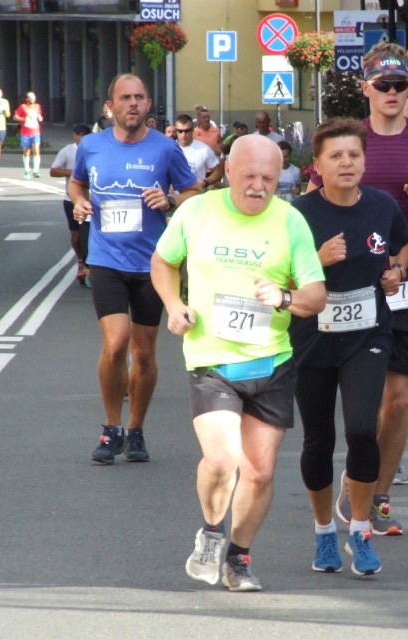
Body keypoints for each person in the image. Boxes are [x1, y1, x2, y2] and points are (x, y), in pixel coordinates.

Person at [150, 134, 326, 592]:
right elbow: (163, 262)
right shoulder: (196, 212)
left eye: (269, 178)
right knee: (223, 460)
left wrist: (285, 296)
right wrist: (173, 305)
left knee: (261, 471)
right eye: (249, 176)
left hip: (271, 362)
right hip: (211, 358)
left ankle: (239, 556)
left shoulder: (291, 222)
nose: (258, 186)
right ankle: (211, 530)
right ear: (228, 170)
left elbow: (316, 295)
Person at [311, 42, 408, 536]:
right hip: (345, 292)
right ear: (366, 88)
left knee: (400, 399)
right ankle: (360, 475)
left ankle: (375, 493)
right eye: (383, 85)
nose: (393, 92)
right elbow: (314, 208)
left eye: (400, 84)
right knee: (362, 400)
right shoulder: (348, 142)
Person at [290, 118, 408, 575]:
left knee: (362, 428)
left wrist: (395, 274)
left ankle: (359, 530)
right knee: (318, 439)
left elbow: (401, 250)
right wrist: (315, 262)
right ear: (317, 164)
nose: (346, 163)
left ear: (365, 160)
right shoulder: (298, 214)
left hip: (367, 335)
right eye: (336, 156)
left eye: (354, 155)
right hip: (312, 338)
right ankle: (324, 532)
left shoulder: (381, 206)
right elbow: (277, 277)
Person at [68, 73, 201, 465]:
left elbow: (195, 192)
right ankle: (111, 428)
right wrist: (79, 202)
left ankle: (136, 429)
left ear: (148, 105)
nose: (133, 104)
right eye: (125, 97)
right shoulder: (91, 146)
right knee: (115, 344)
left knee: (144, 353)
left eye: (140, 97)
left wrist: (172, 197)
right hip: (106, 258)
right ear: (110, 105)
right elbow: (77, 185)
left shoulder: (165, 148)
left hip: (154, 264)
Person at [50, 123, 93, 286]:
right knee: (76, 235)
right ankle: (81, 259)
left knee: (89, 235)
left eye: (84, 134)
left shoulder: (94, 149)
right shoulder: (67, 151)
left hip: (92, 201)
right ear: (74, 135)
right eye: (78, 134)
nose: (81, 137)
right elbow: (54, 171)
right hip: (71, 200)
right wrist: (75, 172)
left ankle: (89, 268)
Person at [173, 114, 223, 191]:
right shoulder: (169, 149)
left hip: (196, 197)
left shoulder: (204, 149)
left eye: (187, 131)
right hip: (175, 198)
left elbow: (218, 171)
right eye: (180, 131)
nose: (183, 134)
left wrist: (205, 182)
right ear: (176, 131)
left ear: (193, 129)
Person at [13, 91, 43, 179]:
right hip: (25, 133)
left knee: (36, 150)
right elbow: (15, 117)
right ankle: (26, 170)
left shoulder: (37, 106)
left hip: (35, 131)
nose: (32, 98)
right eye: (30, 97)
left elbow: (39, 115)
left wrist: (40, 117)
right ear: (26, 99)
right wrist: (23, 118)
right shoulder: (22, 107)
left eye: (33, 97)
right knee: (26, 151)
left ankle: (36, 171)